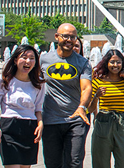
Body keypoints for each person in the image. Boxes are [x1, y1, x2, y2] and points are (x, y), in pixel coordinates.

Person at [40, 23, 93, 168]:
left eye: (73, 37)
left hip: (75, 119)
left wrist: (82, 107)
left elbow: (86, 87)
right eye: (65, 36)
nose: (69, 40)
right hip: (50, 120)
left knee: (74, 163)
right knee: (52, 163)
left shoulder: (83, 63)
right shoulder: (43, 60)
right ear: (57, 37)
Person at [0, 45, 46, 167]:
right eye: (24, 57)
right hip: (9, 127)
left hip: (29, 128)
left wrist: (40, 124)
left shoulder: (38, 83)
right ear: (16, 60)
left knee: (25, 166)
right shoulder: (4, 80)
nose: (28, 61)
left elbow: (38, 109)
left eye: (32, 58)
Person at [89, 49, 124, 168]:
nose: (115, 65)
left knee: (123, 159)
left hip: (120, 121)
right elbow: (90, 109)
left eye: (118, 62)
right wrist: (97, 96)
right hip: (103, 120)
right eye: (112, 62)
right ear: (107, 63)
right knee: (100, 160)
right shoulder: (98, 81)